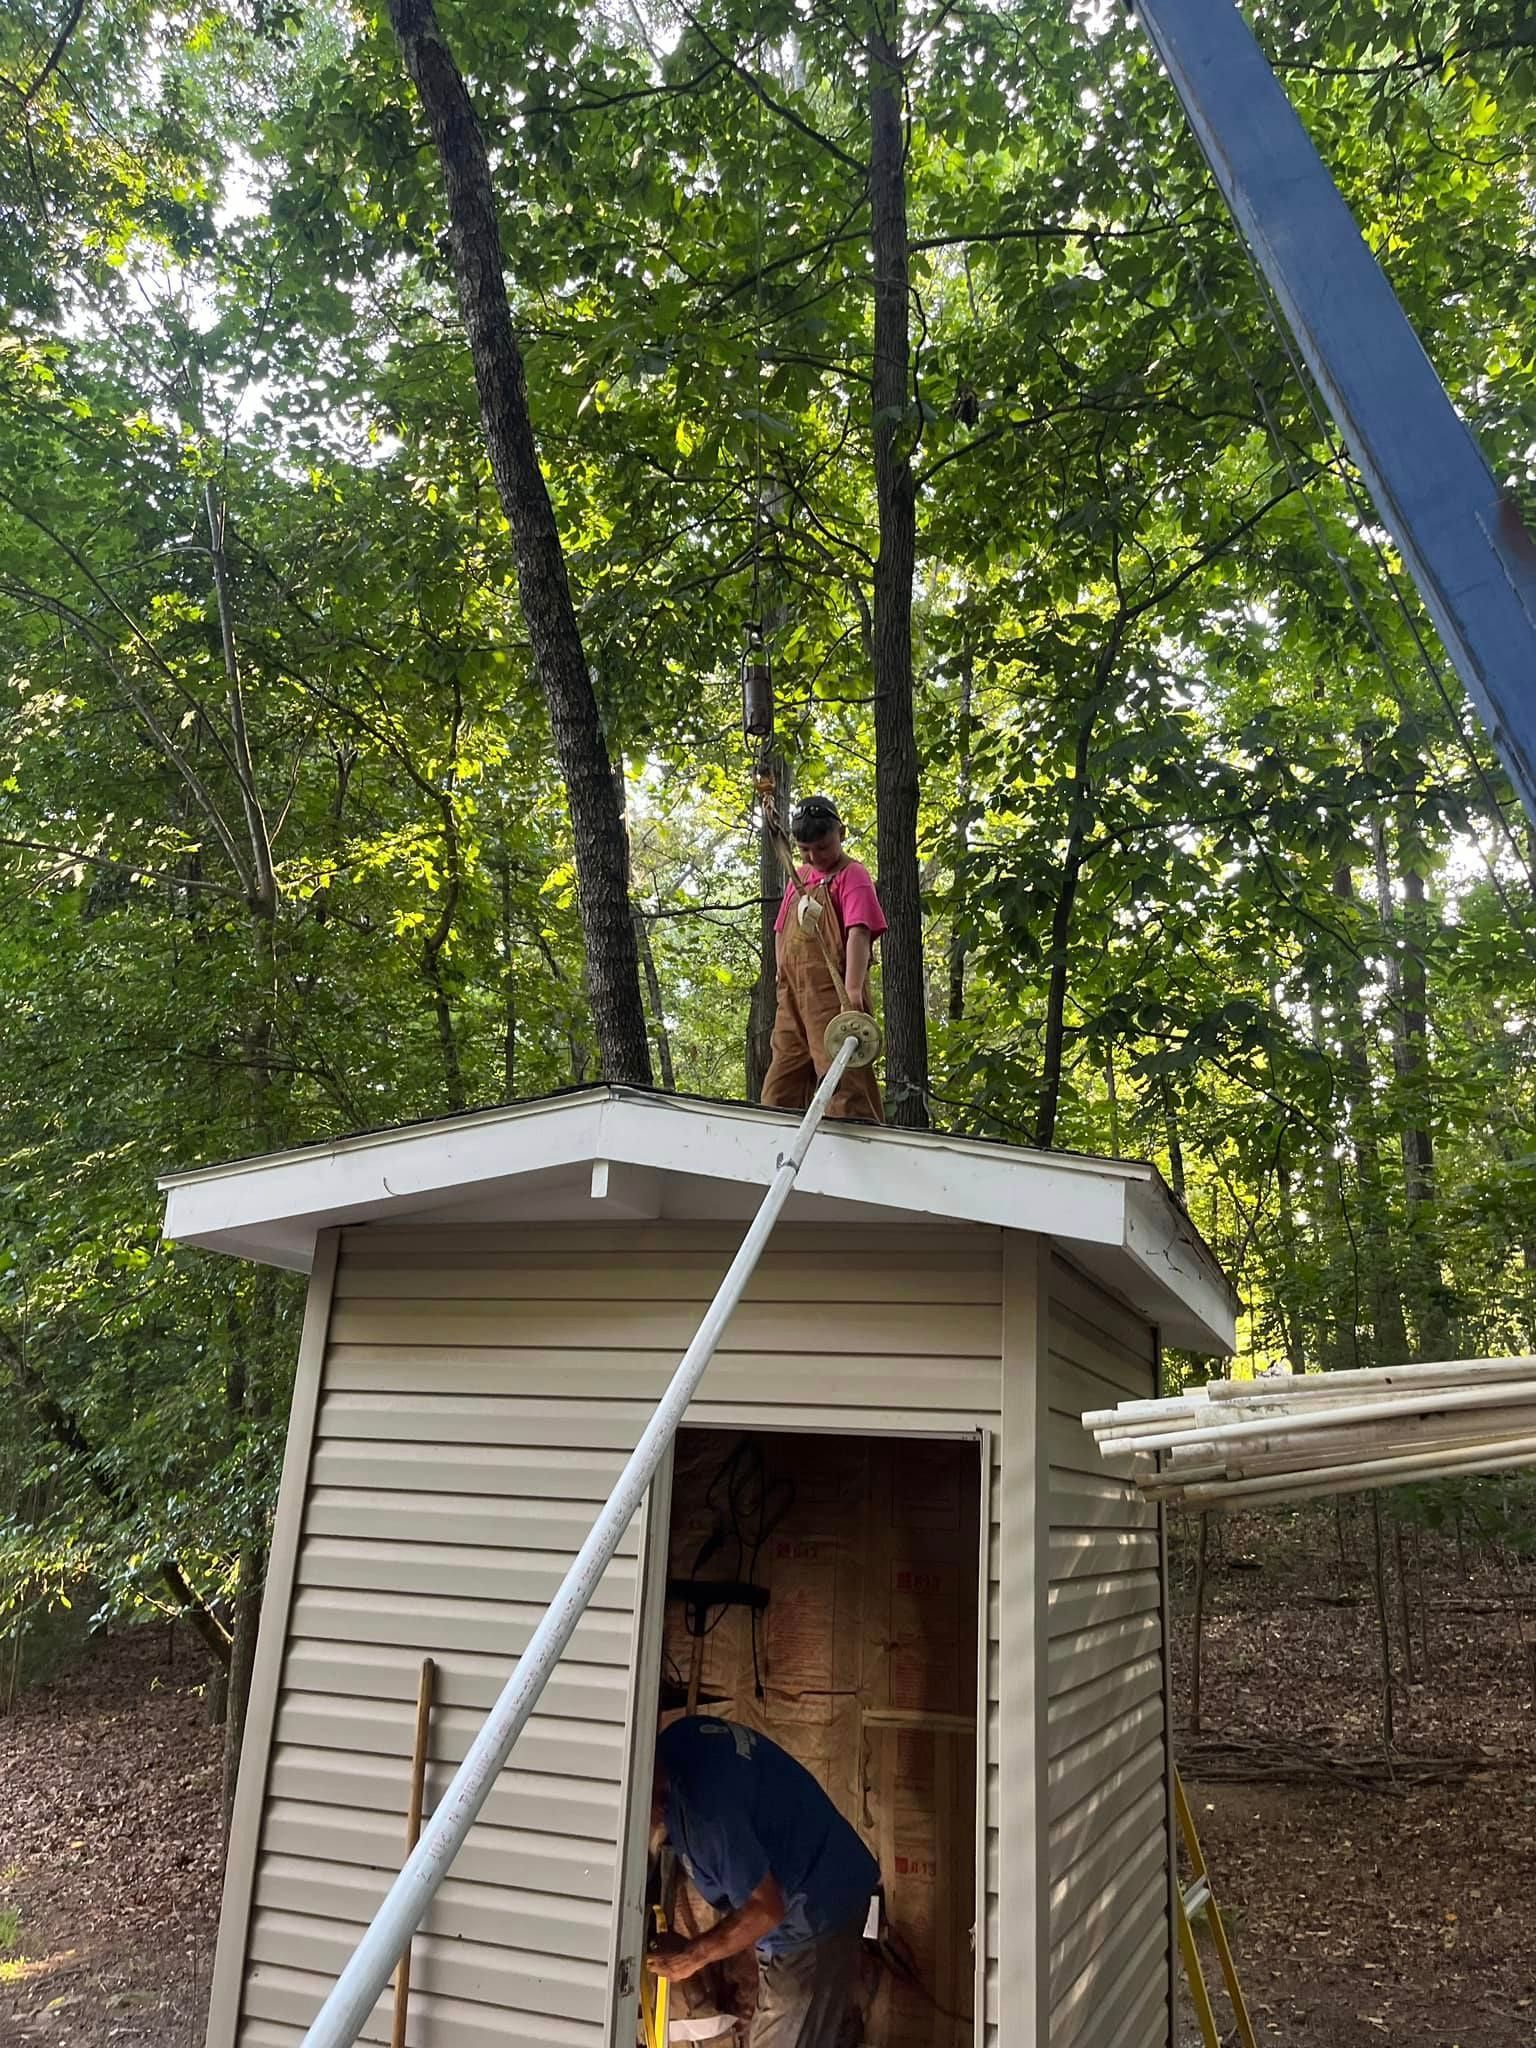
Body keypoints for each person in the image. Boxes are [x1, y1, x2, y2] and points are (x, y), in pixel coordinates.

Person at [649, 1715, 878, 2048]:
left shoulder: (707, 1812)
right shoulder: (677, 1741)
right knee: (814, 2023)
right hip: (828, 1875)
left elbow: (765, 1910)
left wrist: (693, 1957)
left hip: (815, 1912)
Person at [761, 795, 885, 1123]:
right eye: (805, 850)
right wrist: (780, 973)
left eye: (822, 847)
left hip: (834, 995)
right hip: (792, 997)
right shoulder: (799, 877)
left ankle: (860, 1148)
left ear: (841, 833)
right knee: (778, 1088)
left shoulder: (852, 874)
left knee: (842, 1085)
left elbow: (859, 931)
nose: (814, 857)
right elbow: (780, 929)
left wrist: (853, 990)